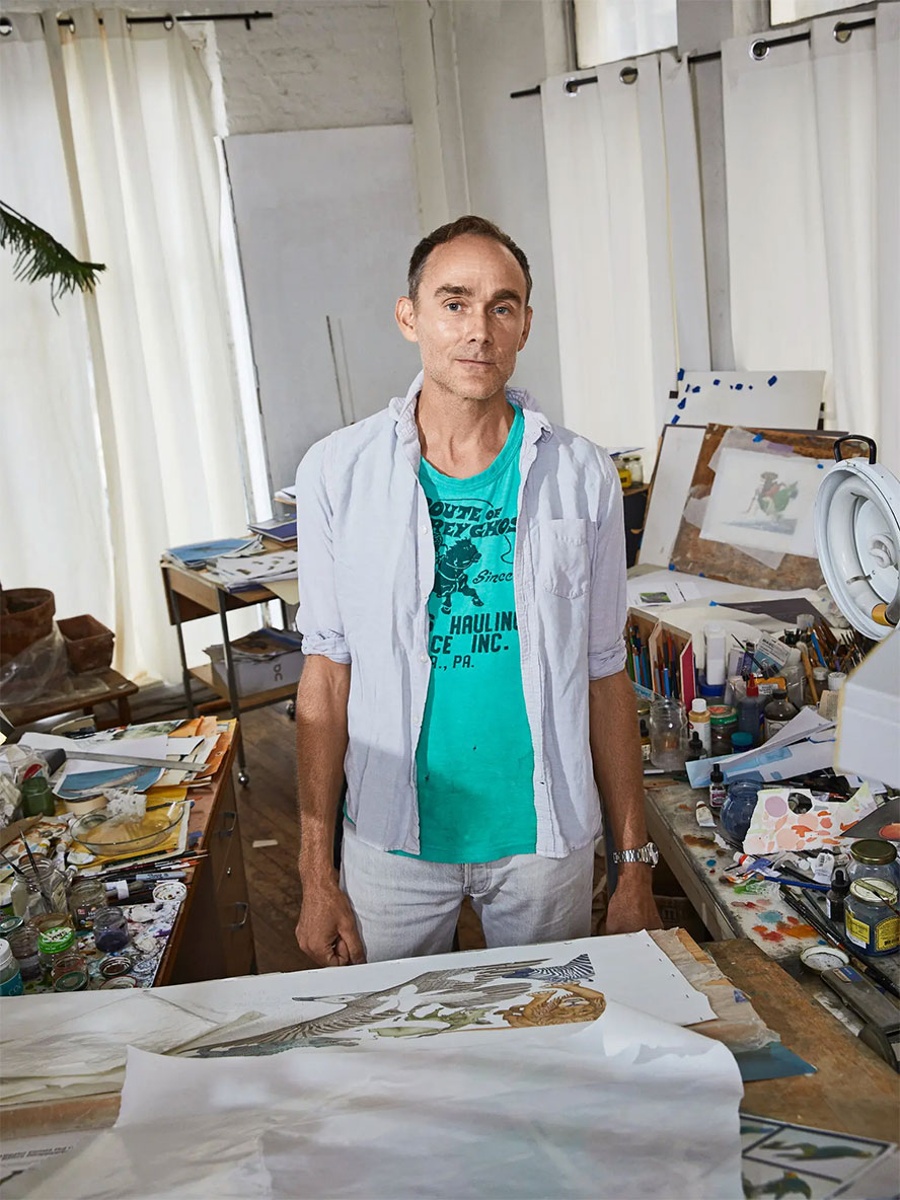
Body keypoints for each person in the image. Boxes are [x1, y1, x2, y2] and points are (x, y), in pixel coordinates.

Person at [293, 215, 662, 968]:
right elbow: (325, 677)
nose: (479, 330)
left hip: (544, 843)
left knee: (550, 1028)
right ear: (410, 317)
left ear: (525, 324)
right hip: (390, 840)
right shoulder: (337, 472)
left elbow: (604, 673)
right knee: (396, 1030)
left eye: (502, 306)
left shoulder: (581, 474)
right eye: (454, 302)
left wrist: (633, 868)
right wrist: (313, 873)